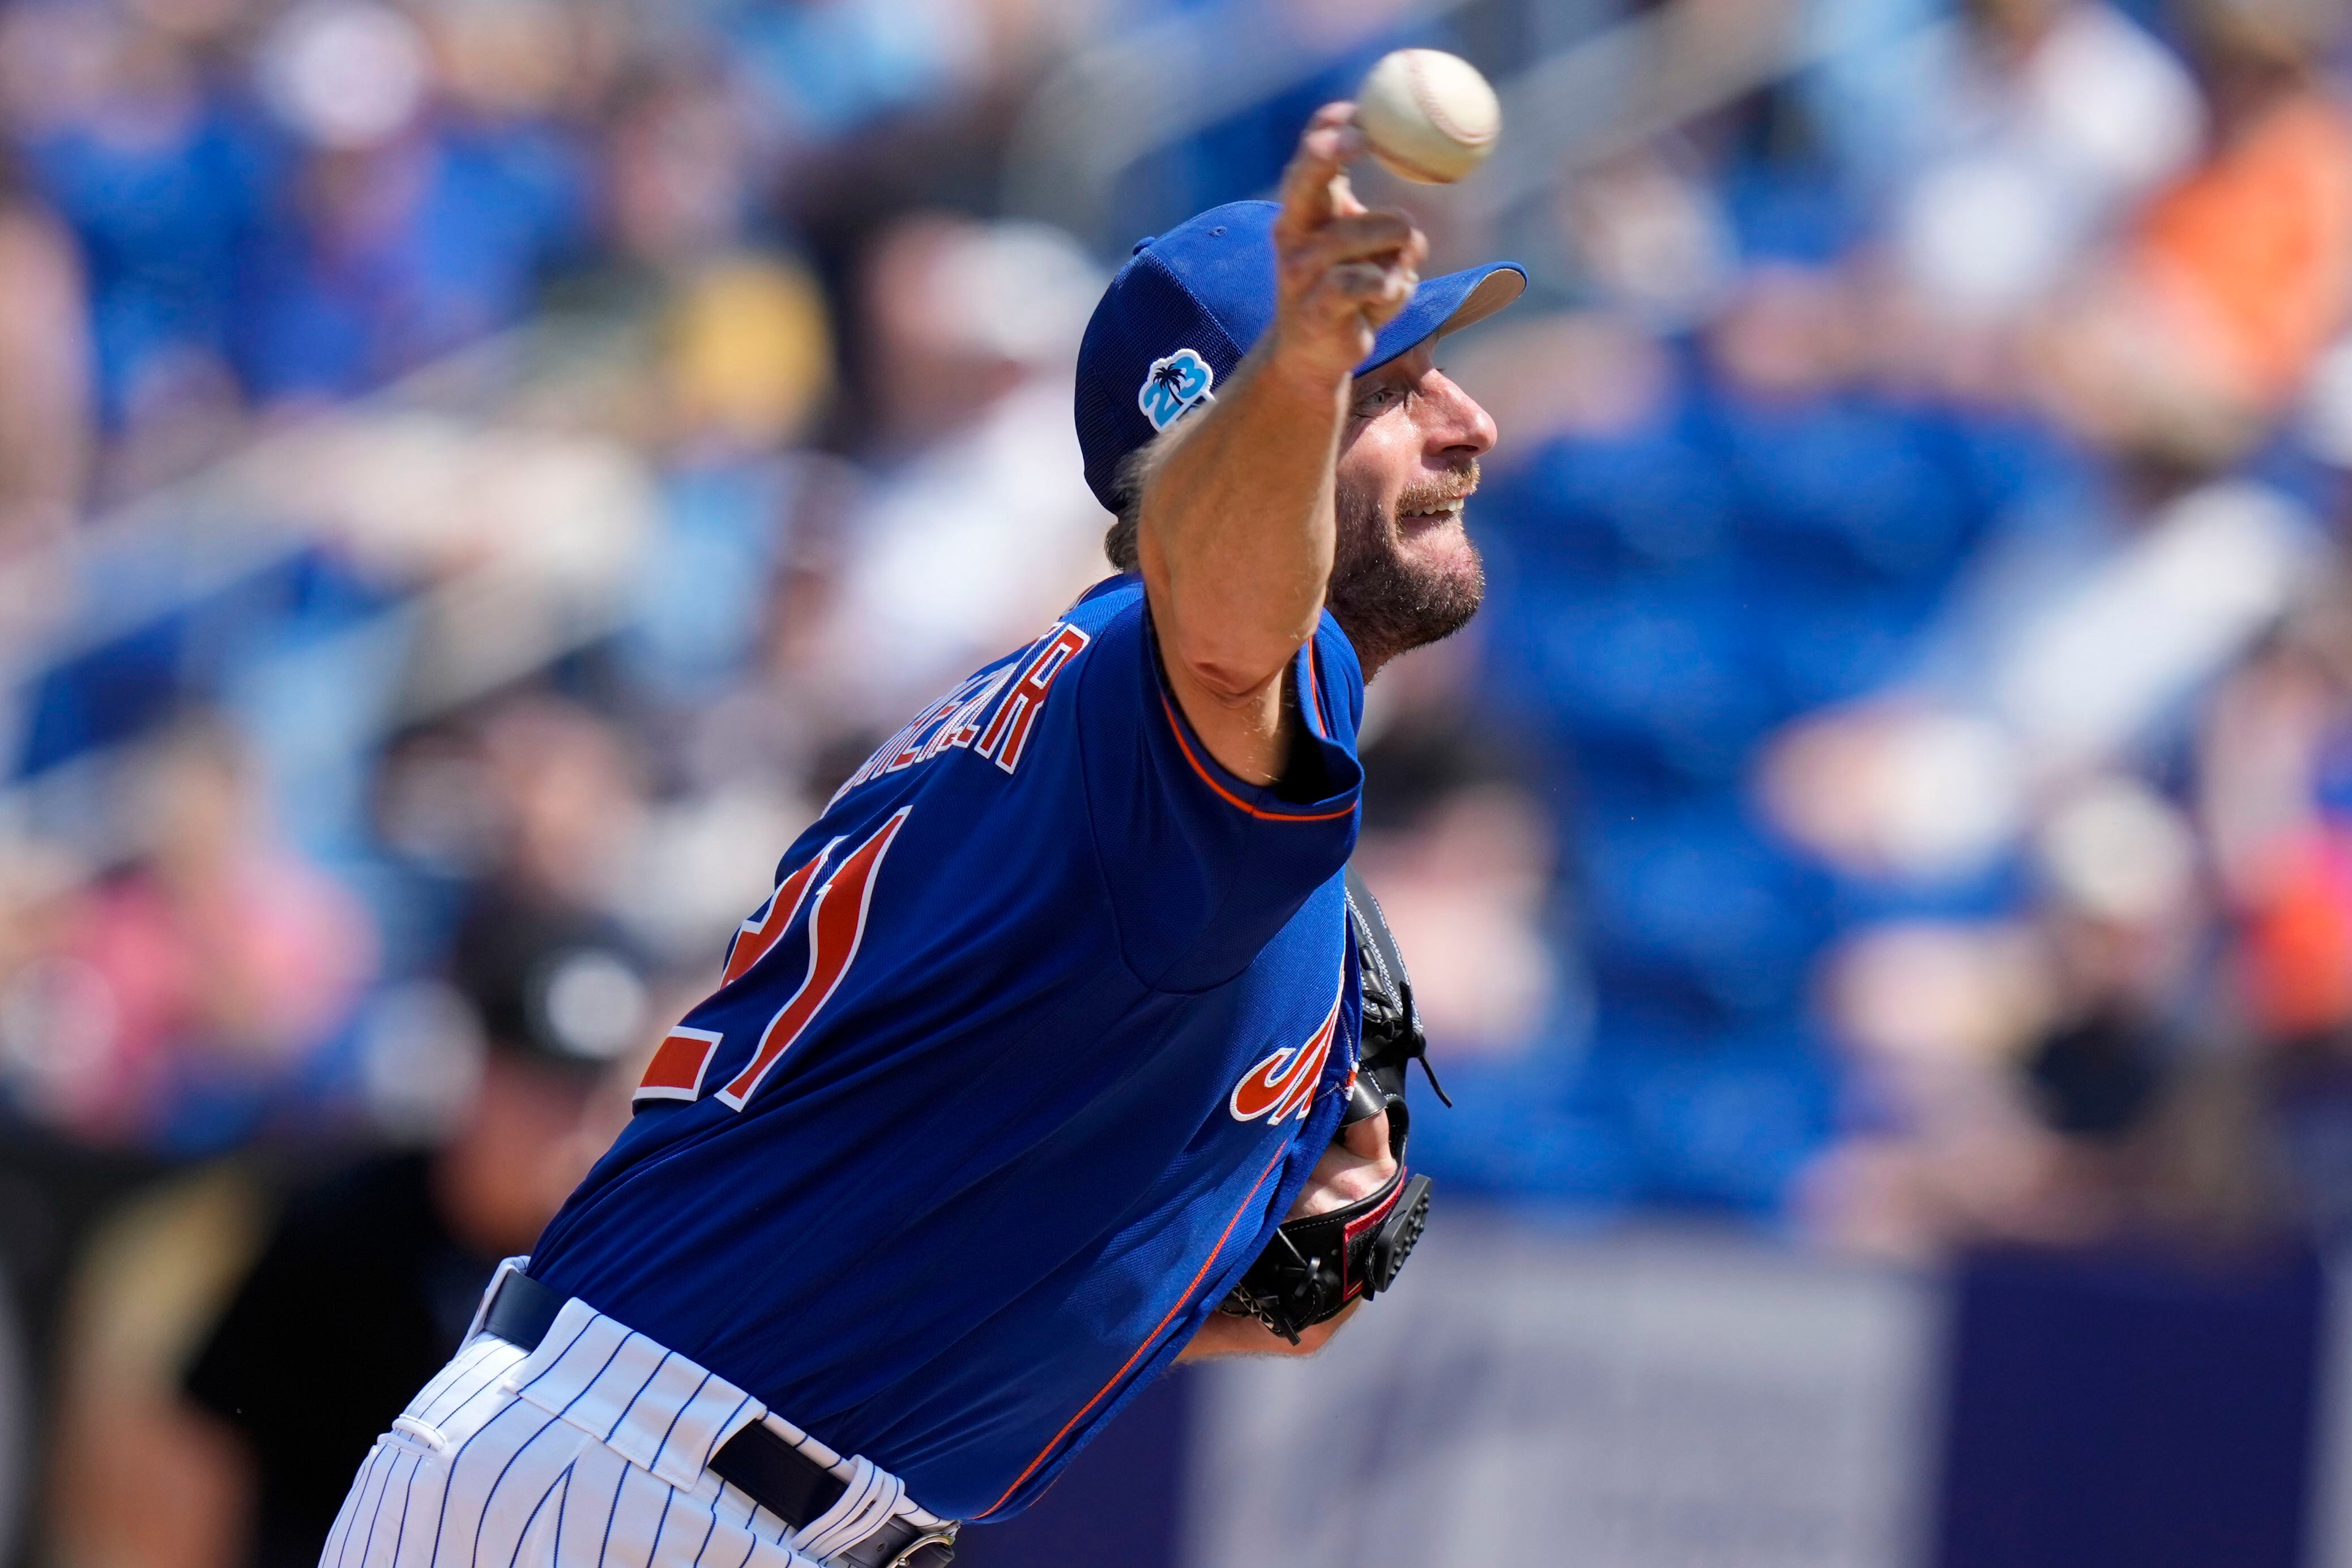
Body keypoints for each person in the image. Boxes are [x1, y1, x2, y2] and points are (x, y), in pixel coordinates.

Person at [320, 101, 1521, 1568]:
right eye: (1391, 386)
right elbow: (1216, 621)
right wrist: (1294, 388)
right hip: (649, 1490)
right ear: (1229, 436)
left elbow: (1014, 1257)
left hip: (691, 1481)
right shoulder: (1171, 679)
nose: (1469, 422)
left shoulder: (1161, 784)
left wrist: (1238, 1239)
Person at [181, 902, 648, 1568]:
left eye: (579, 1095)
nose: (556, 1123)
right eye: (533, 1087)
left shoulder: (621, 1272)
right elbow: (200, 1439)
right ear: (481, 1073)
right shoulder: (345, 1223)